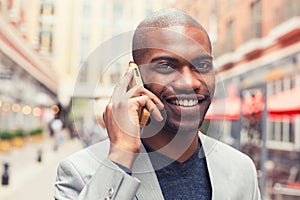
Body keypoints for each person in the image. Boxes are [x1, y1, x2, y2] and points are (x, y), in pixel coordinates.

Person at [54, 8, 261, 200]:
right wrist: (121, 157)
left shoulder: (242, 170)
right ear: (134, 77)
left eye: (202, 65)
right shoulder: (80, 172)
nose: (190, 83)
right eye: (166, 66)